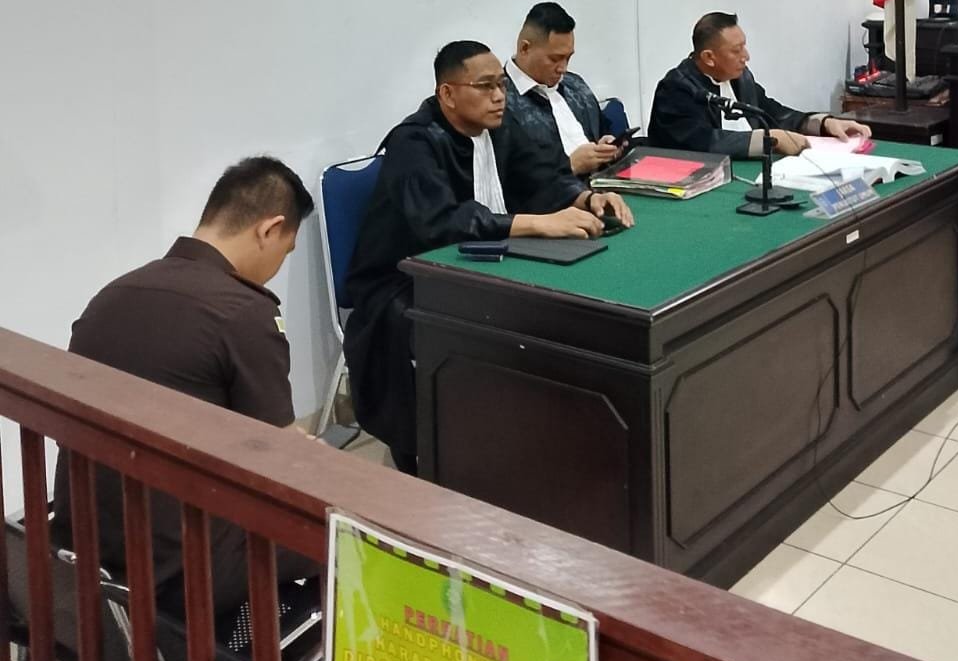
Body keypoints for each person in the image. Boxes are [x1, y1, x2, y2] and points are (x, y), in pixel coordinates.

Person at [50, 156, 318, 622]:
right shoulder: (244, 312)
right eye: (286, 251)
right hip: (184, 566)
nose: (278, 266)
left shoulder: (114, 293)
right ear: (269, 229)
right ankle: (302, 656)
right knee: (338, 523)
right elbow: (278, 458)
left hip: (88, 542)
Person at [344, 40, 633, 470]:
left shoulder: (499, 126)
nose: (499, 96)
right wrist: (536, 224)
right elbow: (441, 223)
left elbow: (541, 176)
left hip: (484, 262)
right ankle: (440, 450)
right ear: (447, 93)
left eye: (501, 84)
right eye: (485, 86)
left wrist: (586, 198)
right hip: (403, 282)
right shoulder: (415, 142)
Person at [648, 11, 872, 158]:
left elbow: (773, 113)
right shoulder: (677, 89)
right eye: (736, 50)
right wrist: (771, 140)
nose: (746, 56)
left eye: (744, 46)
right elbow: (704, 143)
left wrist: (824, 123)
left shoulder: (740, 77)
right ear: (709, 57)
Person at [504, 2, 625, 176]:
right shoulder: (499, 101)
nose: (563, 68)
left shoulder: (575, 85)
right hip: (557, 191)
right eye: (555, 59)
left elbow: (600, 131)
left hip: (602, 182)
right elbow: (506, 178)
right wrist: (570, 166)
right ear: (525, 49)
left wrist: (605, 146)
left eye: (568, 58)